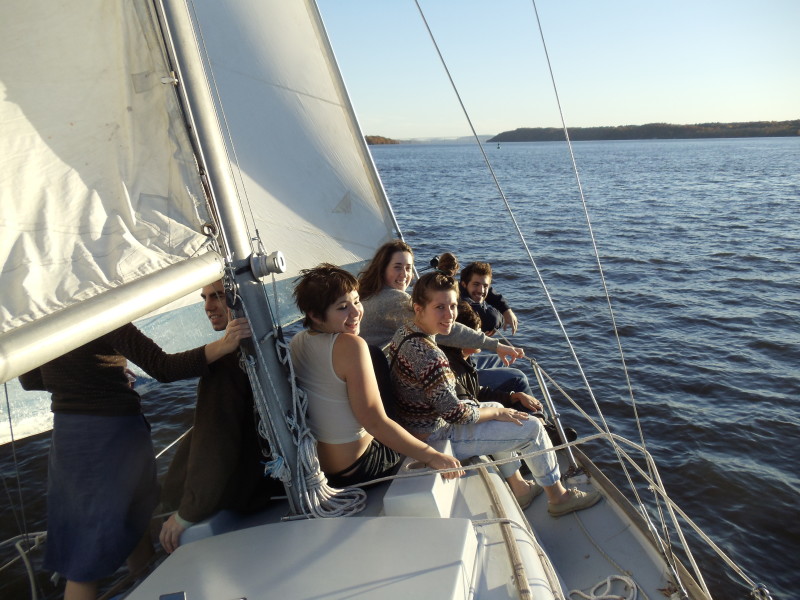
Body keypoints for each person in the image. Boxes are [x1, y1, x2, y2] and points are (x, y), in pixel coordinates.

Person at [18, 310, 248, 600]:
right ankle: (148, 586)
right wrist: (224, 345)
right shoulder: (100, 313)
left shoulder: (39, 320)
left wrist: (94, 375)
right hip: (109, 437)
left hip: (72, 437)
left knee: (126, 526)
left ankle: (148, 589)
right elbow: (162, 367)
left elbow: (29, 379)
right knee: (89, 560)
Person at [388, 272, 600, 515]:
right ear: (419, 308)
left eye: (453, 306)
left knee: (495, 409)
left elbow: (453, 329)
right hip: (434, 435)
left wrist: (495, 348)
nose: (449, 315)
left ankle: (521, 489)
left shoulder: (406, 333)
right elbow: (456, 414)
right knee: (531, 427)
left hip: (416, 424)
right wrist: (498, 411)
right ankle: (559, 499)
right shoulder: (431, 356)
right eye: (440, 307)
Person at [289, 263, 463, 488]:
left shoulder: (297, 341)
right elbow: (374, 421)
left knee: (373, 355)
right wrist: (431, 456)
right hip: (361, 466)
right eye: (342, 307)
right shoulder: (351, 345)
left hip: (323, 466)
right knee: (376, 358)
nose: (355, 313)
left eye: (356, 301)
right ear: (316, 315)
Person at [158, 280, 284, 554]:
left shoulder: (224, 368)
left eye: (217, 297)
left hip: (242, 493)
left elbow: (216, 443)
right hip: (269, 481)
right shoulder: (273, 343)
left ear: (240, 301)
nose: (208, 306)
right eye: (204, 298)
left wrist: (187, 513)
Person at [357, 241, 524, 368]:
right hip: (385, 376)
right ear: (382, 269)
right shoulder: (393, 300)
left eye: (408, 268)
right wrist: (494, 345)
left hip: (374, 368)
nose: (405, 274)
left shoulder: (370, 293)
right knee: (513, 376)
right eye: (397, 267)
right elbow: (446, 329)